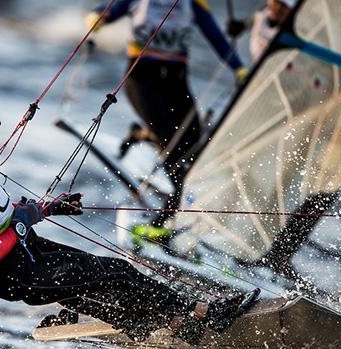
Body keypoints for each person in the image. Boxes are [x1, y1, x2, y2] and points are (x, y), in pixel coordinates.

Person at [0, 99, 258, 344]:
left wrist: (48, 208)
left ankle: (170, 322)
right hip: (11, 272)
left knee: (102, 275)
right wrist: (24, 221)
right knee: (115, 274)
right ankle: (201, 313)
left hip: (21, 253)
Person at [86, 0, 247, 228]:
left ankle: (144, 135)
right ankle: (165, 217)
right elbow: (106, 12)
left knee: (194, 142)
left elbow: (216, 37)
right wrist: (97, 19)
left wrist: (239, 68)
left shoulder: (192, 4)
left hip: (176, 83)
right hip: (141, 81)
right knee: (172, 145)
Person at [227, 0, 296, 63]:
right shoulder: (263, 12)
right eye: (275, 3)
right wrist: (241, 25)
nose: (277, 7)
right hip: (258, 61)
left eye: (282, 6)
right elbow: (253, 19)